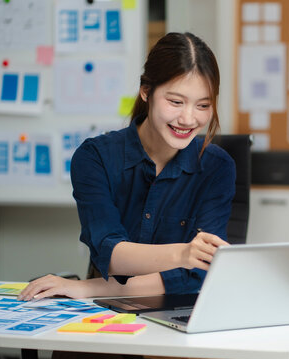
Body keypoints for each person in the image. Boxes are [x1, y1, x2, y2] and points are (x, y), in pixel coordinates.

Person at [18, 32, 235, 302]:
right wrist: (182, 255)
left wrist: (90, 289)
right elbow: (111, 255)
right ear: (146, 91)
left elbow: (198, 274)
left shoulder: (217, 167)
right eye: (176, 102)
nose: (189, 118)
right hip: (104, 313)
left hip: (181, 313)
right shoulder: (95, 158)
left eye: (203, 105)